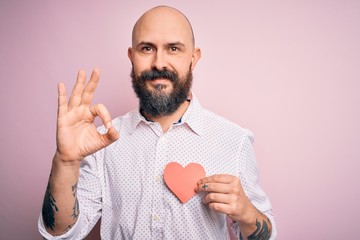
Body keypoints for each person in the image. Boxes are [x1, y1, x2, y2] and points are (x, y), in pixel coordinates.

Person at [38, 5, 277, 240]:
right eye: (147, 48)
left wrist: (247, 214)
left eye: (173, 48)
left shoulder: (234, 140)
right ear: (132, 57)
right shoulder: (100, 143)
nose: (159, 63)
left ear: (193, 59)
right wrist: (66, 161)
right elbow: (61, 233)